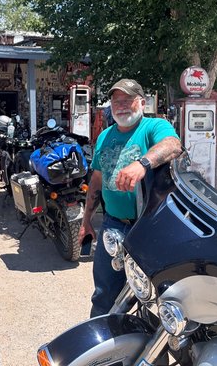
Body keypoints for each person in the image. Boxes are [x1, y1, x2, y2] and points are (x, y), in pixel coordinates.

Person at [79, 78, 182, 317]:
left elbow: (173, 145)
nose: (121, 106)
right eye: (117, 101)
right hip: (112, 226)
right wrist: (86, 221)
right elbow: (96, 180)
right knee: (104, 294)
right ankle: (104, 348)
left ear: (142, 103)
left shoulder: (153, 126)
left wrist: (143, 163)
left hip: (148, 228)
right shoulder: (104, 136)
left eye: (128, 100)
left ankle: (148, 345)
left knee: (156, 298)